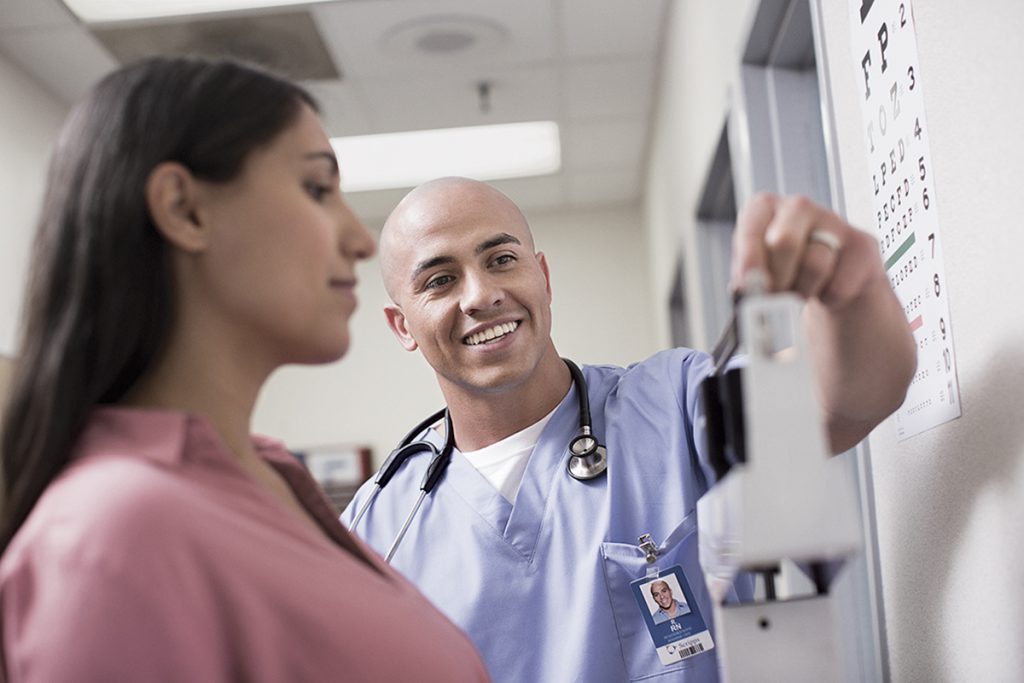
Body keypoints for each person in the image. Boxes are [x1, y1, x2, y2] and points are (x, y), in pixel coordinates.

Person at [0, 59, 490, 682]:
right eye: (317, 189)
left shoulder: (268, 475)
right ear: (185, 210)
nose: (361, 241)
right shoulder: (112, 534)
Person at [342, 176, 915, 681]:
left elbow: (842, 404)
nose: (481, 295)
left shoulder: (673, 403)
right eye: (440, 280)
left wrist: (853, 290)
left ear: (543, 277)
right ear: (402, 326)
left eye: (501, 260)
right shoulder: (376, 528)